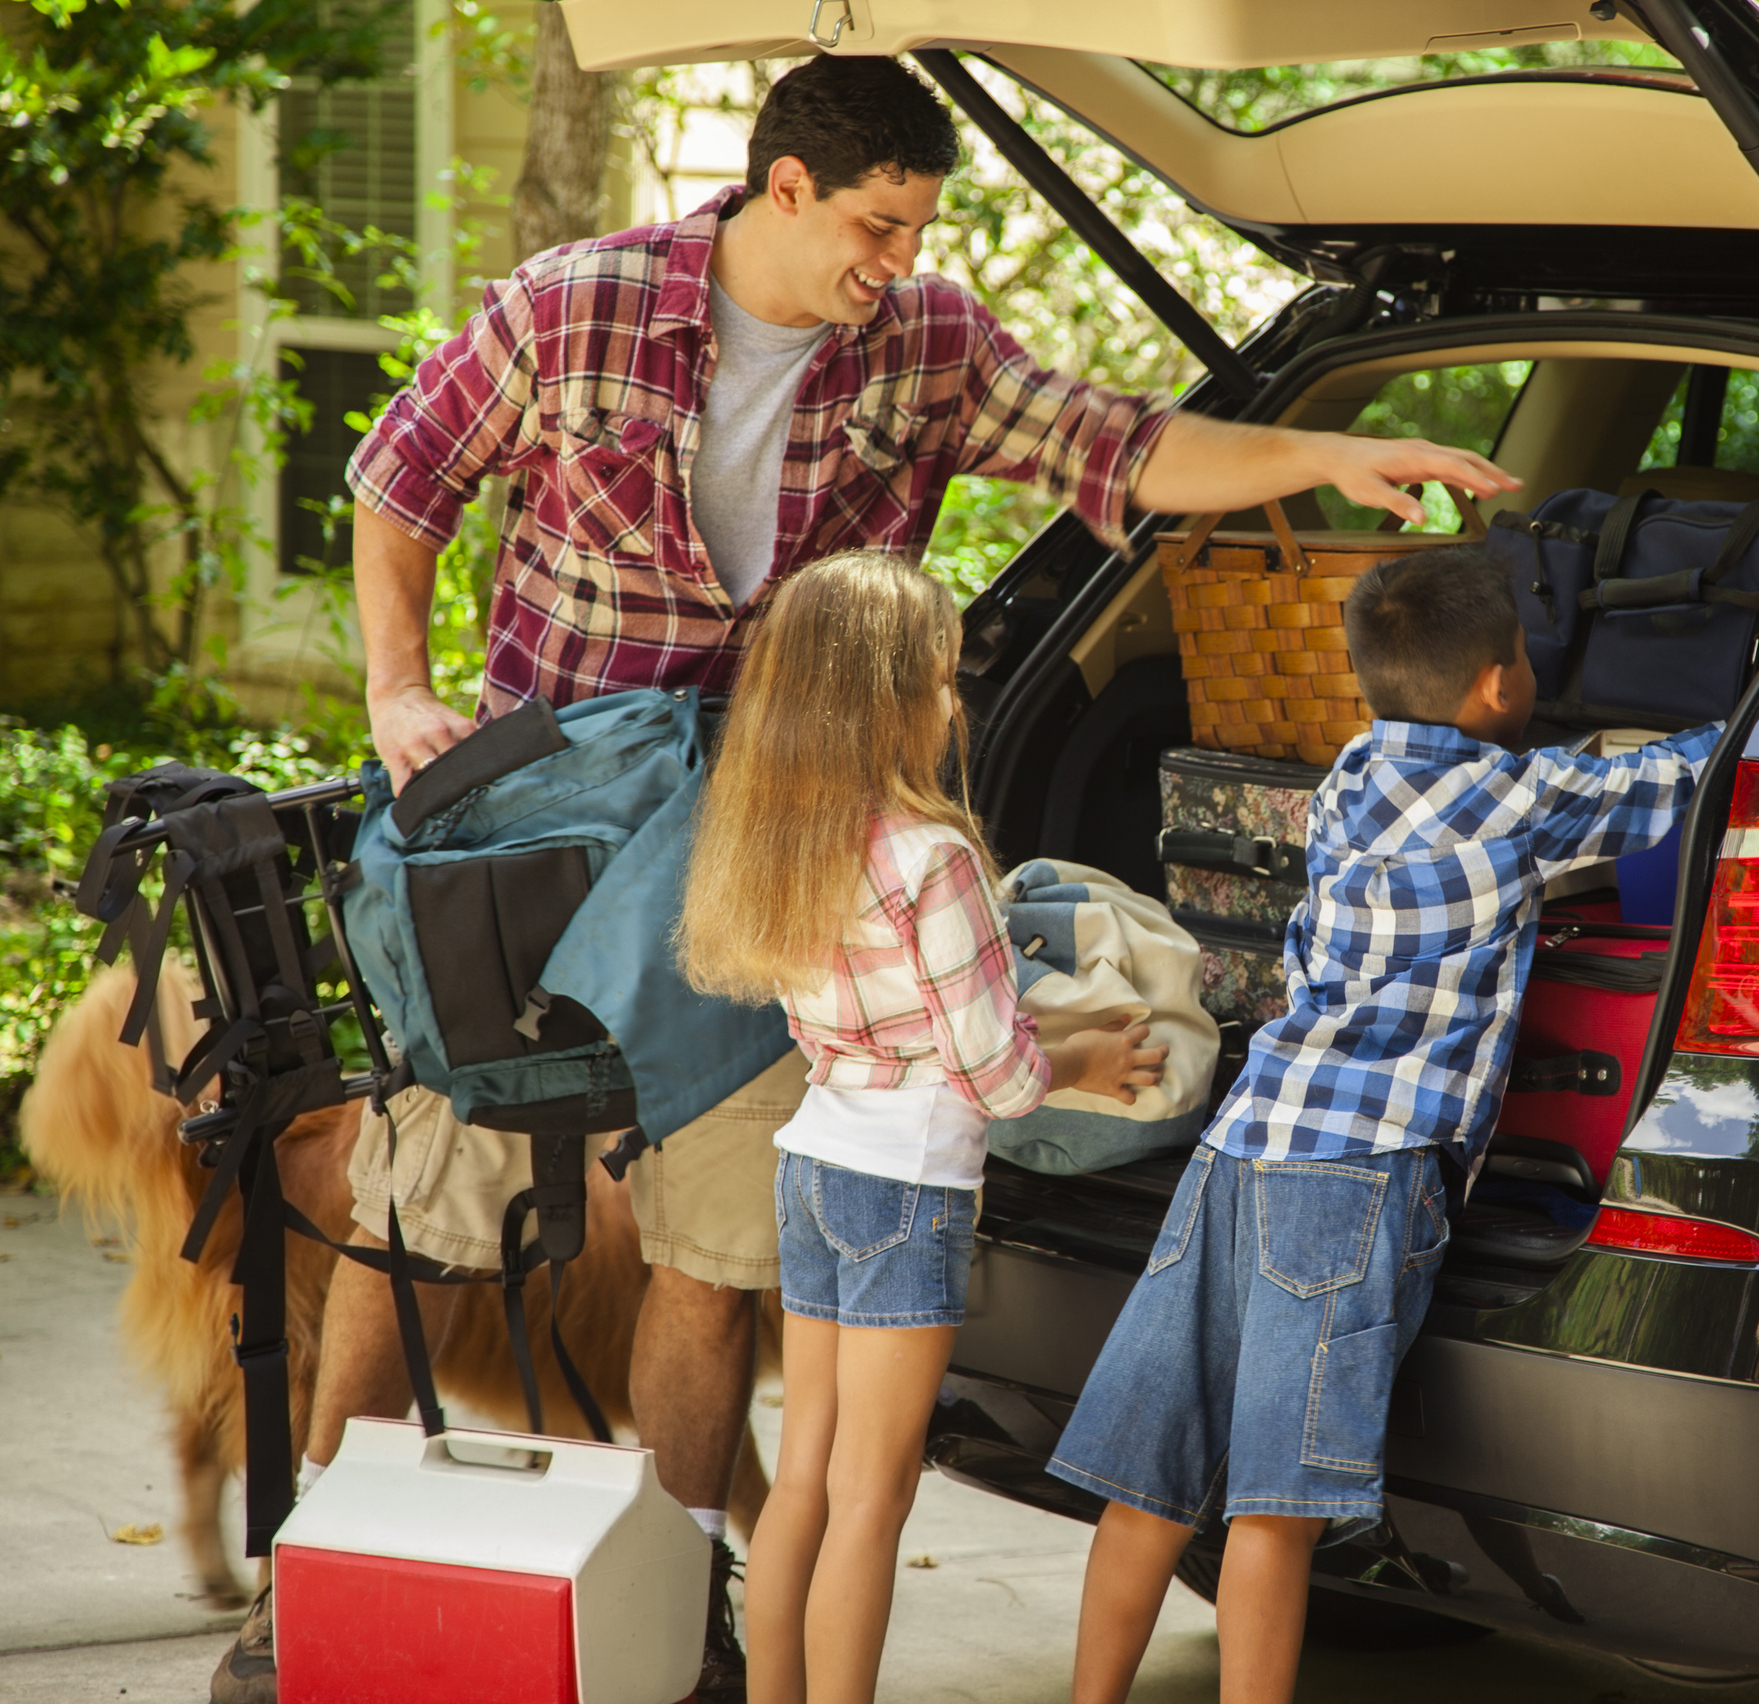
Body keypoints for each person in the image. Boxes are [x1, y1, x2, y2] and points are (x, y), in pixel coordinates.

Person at [210, 50, 1520, 1704]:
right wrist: (398, 689)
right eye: (875, 228)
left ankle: (675, 1584)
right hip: (547, 842)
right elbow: (398, 478)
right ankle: (309, 1571)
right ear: (783, 187)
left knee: (712, 1248)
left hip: (773, 858)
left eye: (914, 231)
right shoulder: (573, 309)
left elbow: (1116, 444)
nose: (895, 266)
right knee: (426, 1212)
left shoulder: (926, 345)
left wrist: (1318, 461)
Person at [1046, 545, 1722, 1704]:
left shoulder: (1350, 775)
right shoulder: (1518, 793)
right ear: (1502, 687)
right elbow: (1673, 780)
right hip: (1353, 1178)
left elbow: (1307, 946)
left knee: (1148, 1483)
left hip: (1242, 1143)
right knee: (1275, 1502)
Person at [676, 551, 1168, 1704]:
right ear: (882, 700)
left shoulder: (779, 837)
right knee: (875, 1488)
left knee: (802, 1477)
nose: (954, 704)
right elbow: (993, 1078)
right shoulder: (930, 856)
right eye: (940, 682)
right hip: (906, 1189)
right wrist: (1089, 1054)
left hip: (813, 1161)